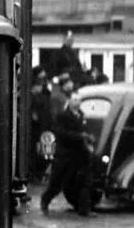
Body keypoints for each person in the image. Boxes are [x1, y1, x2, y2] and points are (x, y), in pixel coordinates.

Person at [40, 78, 94, 216]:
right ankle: (45, 200)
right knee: (56, 183)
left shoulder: (81, 115)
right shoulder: (62, 116)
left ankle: (84, 209)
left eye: (79, 100)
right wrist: (80, 136)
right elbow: (61, 133)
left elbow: (84, 131)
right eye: (74, 100)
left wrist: (88, 138)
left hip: (80, 155)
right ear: (70, 101)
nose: (77, 103)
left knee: (84, 182)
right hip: (65, 155)